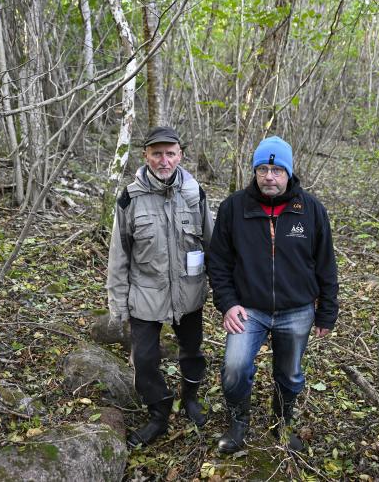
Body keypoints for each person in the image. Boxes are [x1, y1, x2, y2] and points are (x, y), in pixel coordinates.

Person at [207, 136, 339, 453]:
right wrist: (228, 304)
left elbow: (326, 264)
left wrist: (327, 312)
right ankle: (239, 423)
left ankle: (281, 423)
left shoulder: (311, 210)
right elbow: (219, 263)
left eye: (277, 170)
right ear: (254, 171)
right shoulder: (233, 208)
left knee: (290, 374)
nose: (269, 176)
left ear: (289, 173)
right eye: (263, 169)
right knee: (235, 368)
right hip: (247, 309)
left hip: (297, 310)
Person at [106, 126, 214, 446]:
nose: (164, 160)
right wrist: (118, 304)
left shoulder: (195, 193)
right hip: (145, 293)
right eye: (157, 154)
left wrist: (226, 293)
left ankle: (190, 398)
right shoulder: (130, 198)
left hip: (189, 292)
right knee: (144, 360)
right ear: (146, 156)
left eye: (170, 153)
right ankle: (159, 411)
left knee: (192, 352)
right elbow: (119, 255)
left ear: (180, 155)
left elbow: (215, 244)